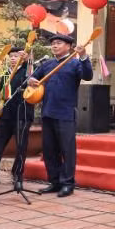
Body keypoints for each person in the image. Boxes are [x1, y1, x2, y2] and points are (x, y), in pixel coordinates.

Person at [27, 33, 93, 197]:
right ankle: (54, 182)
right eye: (53, 44)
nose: (55, 46)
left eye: (58, 43)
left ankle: (68, 183)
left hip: (65, 113)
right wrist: (31, 80)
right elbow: (33, 77)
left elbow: (88, 75)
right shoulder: (47, 64)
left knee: (67, 150)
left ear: (68, 46)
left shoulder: (75, 63)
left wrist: (84, 55)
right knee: (50, 150)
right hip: (47, 112)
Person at [0, 47, 34, 186]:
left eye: (16, 56)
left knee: (21, 146)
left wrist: (28, 59)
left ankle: (17, 174)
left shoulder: (27, 71)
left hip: (22, 115)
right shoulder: (5, 75)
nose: (13, 58)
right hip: (5, 115)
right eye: (11, 56)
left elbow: (32, 73)